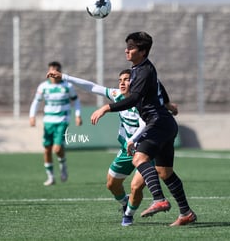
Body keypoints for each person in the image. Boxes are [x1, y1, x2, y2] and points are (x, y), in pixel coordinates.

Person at [90, 31, 197, 226]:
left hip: (157, 122)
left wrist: (107, 107)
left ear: (143, 51)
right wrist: (168, 103)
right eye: (127, 47)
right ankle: (186, 213)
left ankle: (159, 199)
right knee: (165, 172)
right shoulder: (141, 70)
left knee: (139, 158)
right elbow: (157, 86)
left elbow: (134, 98)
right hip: (165, 123)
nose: (127, 50)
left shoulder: (144, 71)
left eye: (131, 48)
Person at [47, 68, 178, 226]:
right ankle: (125, 204)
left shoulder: (142, 99)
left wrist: (134, 139)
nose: (122, 83)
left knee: (136, 187)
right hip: (126, 150)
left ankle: (128, 216)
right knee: (112, 184)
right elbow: (92, 87)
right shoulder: (117, 95)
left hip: (145, 149)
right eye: (120, 80)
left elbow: (145, 123)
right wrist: (65, 77)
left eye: (126, 79)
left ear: (135, 82)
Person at [29, 61, 82, 186]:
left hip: (63, 120)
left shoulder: (67, 86)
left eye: (56, 70)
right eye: (51, 70)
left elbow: (76, 101)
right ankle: (51, 177)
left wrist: (78, 115)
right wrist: (32, 116)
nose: (53, 73)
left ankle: (63, 166)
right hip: (48, 121)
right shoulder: (43, 87)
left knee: (57, 148)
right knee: (47, 149)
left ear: (59, 72)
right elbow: (36, 102)